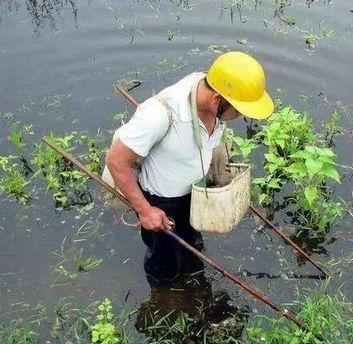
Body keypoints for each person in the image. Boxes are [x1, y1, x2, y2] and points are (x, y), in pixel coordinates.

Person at [106, 51, 274, 286]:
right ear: (217, 99)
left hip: (194, 192)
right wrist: (145, 212)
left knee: (193, 246)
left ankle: (191, 273)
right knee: (165, 264)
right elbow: (116, 161)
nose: (241, 116)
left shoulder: (208, 87)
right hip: (162, 203)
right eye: (239, 110)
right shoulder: (159, 116)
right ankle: (164, 299)